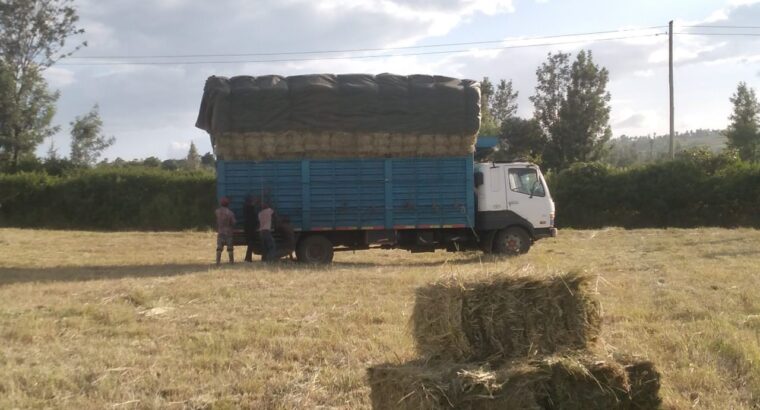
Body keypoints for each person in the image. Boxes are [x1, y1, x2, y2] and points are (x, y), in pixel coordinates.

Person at [215, 196, 236, 265]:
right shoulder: (230, 213)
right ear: (228, 204)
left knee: (219, 248)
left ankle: (218, 262)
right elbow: (233, 222)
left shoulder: (217, 212)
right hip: (228, 232)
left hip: (220, 232)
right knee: (230, 248)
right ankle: (231, 261)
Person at [243, 196, 259, 262]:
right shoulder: (250, 208)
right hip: (251, 228)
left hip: (247, 227)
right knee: (251, 243)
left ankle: (248, 258)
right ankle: (248, 258)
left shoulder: (245, 208)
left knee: (250, 243)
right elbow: (255, 218)